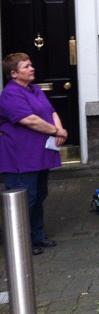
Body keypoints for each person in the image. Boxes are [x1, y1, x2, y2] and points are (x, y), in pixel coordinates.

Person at [0, 53, 66, 255]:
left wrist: (59, 129)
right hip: (20, 157)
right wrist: (56, 131)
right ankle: (19, 243)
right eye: (26, 66)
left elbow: (51, 111)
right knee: (23, 199)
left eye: (31, 65)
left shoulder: (35, 89)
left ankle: (37, 235)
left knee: (39, 195)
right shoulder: (10, 94)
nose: (32, 68)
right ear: (14, 73)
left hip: (39, 154)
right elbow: (29, 120)